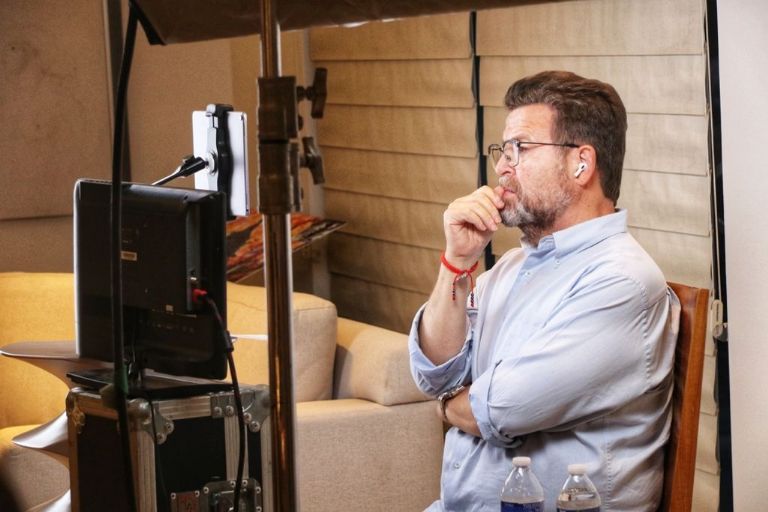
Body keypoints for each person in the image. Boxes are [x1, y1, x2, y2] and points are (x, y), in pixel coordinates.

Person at [409, 70, 680, 511]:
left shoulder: (621, 281)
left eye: (520, 148)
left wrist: (443, 407)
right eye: (503, 150)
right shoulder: (513, 265)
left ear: (581, 163)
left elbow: (497, 409)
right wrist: (456, 262)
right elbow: (434, 372)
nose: (502, 167)